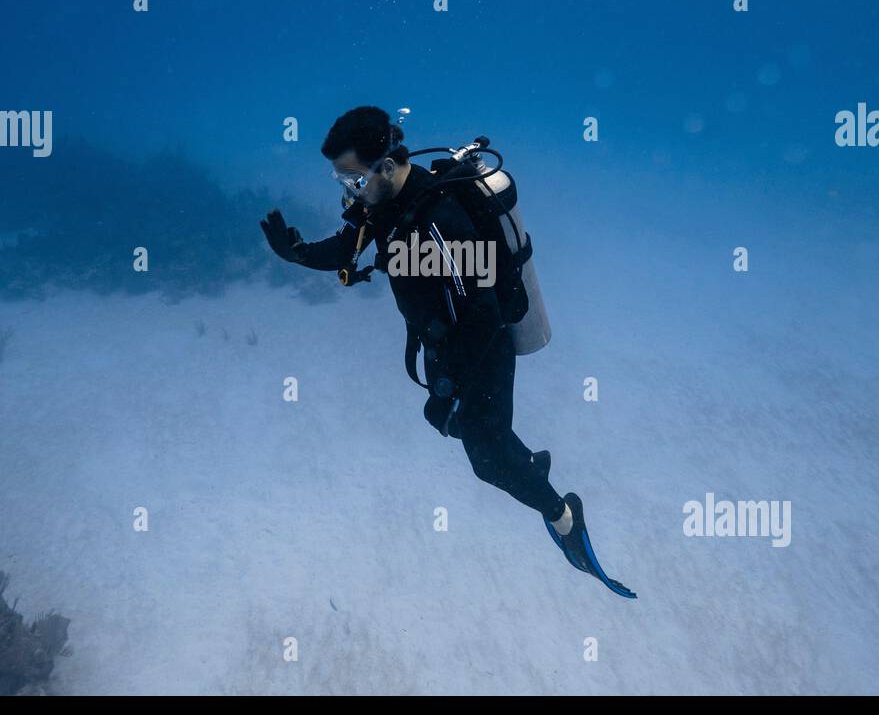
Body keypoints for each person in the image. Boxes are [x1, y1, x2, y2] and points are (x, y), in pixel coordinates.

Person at [260, 106, 634, 598]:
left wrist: (447, 387)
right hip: (446, 342)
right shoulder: (382, 203)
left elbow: (483, 314)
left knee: (487, 460)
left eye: (353, 179)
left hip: (481, 345)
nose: (349, 192)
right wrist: (299, 253)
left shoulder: (440, 221)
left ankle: (565, 518)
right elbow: (347, 247)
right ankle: (525, 461)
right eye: (341, 180)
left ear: (387, 166)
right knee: (481, 439)